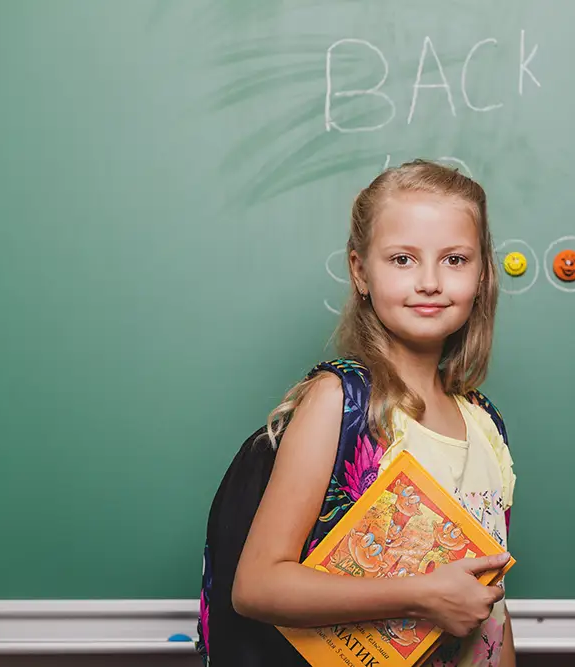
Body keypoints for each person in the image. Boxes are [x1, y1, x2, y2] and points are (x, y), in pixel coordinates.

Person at [197, 159, 516, 666]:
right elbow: (256, 586)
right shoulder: (337, 403)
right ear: (360, 271)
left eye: (455, 259)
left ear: (482, 274)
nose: (430, 281)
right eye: (402, 259)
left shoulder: (484, 422)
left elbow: (489, 611)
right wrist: (420, 594)